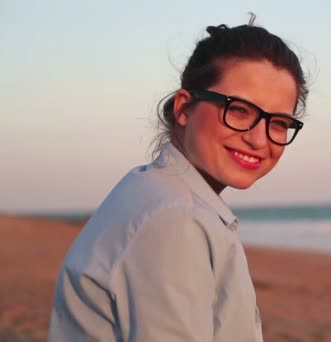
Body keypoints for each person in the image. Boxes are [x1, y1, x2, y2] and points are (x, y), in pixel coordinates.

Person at [47, 16, 308, 342]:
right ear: (184, 108)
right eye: (239, 110)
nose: (259, 139)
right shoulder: (175, 218)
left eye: (279, 123)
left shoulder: (154, 190)